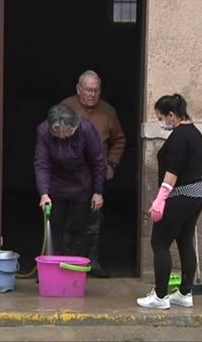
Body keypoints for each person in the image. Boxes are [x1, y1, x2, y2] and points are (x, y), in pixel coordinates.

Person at [136, 94, 202, 309]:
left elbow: (173, 172)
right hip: (197, 194)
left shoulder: (178, 137)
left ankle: (160, 296)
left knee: (159, 243)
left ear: (172, 115)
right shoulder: (195, 133)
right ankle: (185, 293)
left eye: (160, 117)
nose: (161, 122)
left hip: (180, 196)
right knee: (185, 241)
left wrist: (160, 200)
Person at [61, 70, 126, 277]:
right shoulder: (66, 107)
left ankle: (92, 261)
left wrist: (112, 164)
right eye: (88, 90)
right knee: (68, 221)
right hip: (69, 177)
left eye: (96, 90)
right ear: (79, 89)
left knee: (93, 221)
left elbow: (119, 140)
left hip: (96, 176)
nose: (92, 94)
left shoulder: (108, 111)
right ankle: (66, 262)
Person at [34, 104, 106, 257]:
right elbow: (42, 163)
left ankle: (72, 271)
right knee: (55, 227)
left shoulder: (86, 129)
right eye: (59, 132)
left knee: (77, 230)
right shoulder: (43, 130)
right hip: (56, 186)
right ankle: (53, 268)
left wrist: (98, 191)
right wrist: (44, 193)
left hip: (81, 185)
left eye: (67, 131)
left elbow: (98, 161)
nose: (64, 136)